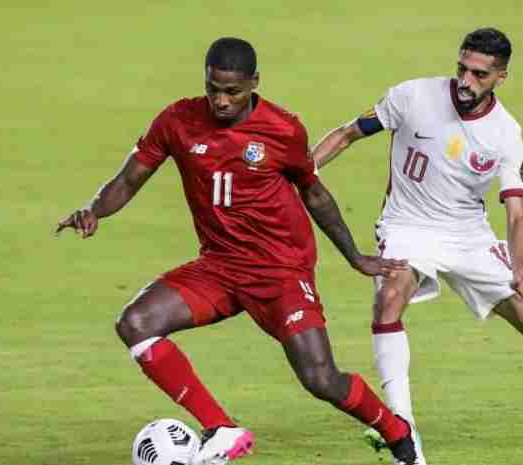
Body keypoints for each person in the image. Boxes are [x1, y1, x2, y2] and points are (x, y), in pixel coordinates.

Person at [56, 37, 424, 465]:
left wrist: (354, 256)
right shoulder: (178, 120)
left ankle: (399, 435)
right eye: (213, 88)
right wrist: (94, 209)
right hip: (218, 265)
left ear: (254, 83)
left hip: (280, 271)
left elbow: (315, 195)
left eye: (232, 91)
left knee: (320, 378)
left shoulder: (283, 129)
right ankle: (221, 427)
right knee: (136, 323)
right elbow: (130, 178)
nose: (221, 100)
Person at [311, 27, 523, 457]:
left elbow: (516, 213)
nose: (465, 81)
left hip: (468, 235)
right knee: (389, 298)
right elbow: (348, 132)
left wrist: (519, 274)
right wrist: (303, 169)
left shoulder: (505, 133)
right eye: (462, 68)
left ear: (501, 77)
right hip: (407, 225)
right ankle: (402, 427)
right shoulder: (413, 97)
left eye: (479, 74)